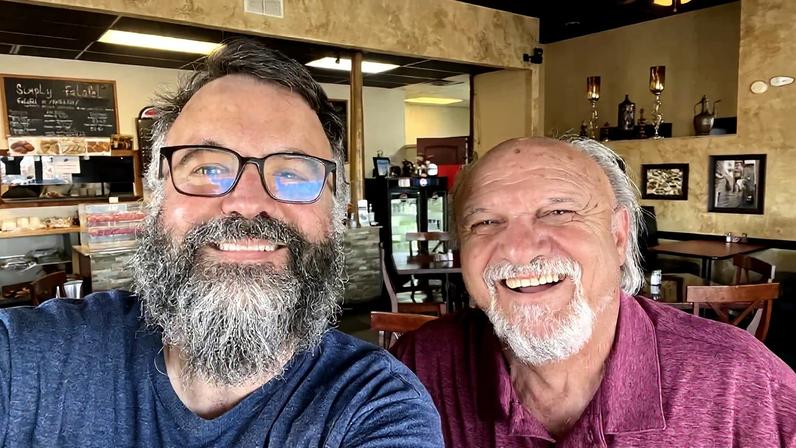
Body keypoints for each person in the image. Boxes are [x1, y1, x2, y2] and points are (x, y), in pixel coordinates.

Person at [0, 38, 442, 447]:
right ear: (156, 199)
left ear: (335, 210)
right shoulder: (30, 362)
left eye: (291, 173)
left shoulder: (375, 407)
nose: (247, 203)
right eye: (208, 169)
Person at [392, 137, 796, 447]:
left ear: (619, 236)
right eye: (485, 222)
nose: (518, 248)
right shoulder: (417, 368)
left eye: (558, 213)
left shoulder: (742, 382)